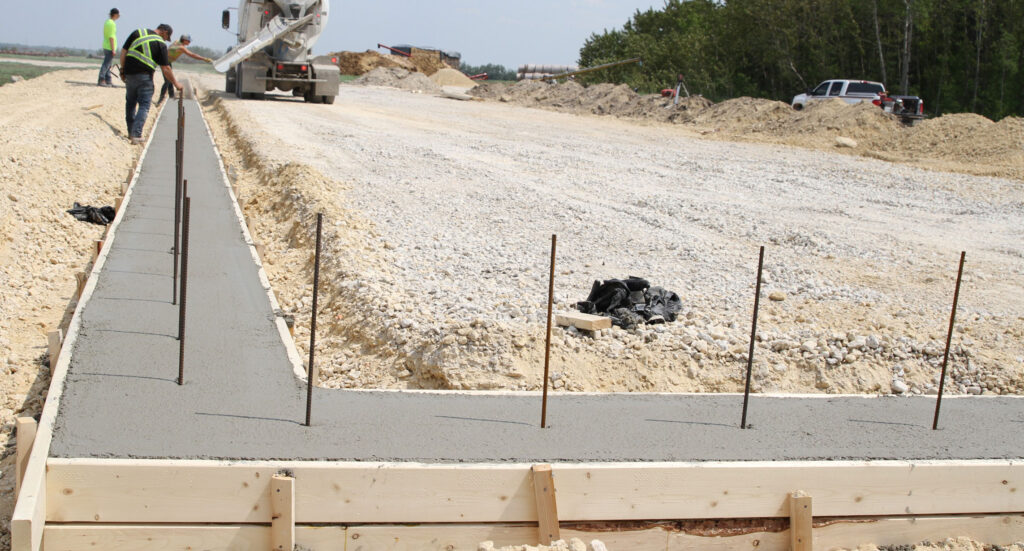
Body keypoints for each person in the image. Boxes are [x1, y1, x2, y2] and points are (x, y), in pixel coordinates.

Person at [118, 24, 182, 145]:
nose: (165, 40)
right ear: (164, 32)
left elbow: (124, 52)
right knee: (144, 105)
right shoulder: (161, 44)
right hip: (145, 77)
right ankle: (136, 134)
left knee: (130, 103)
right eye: (166, 37)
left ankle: (131, 132)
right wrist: (176, 83)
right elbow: (166, 68)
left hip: (130, 74)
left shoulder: (137, 33)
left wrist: (122, 70)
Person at [157, 34, 212, 104]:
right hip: (165, 62)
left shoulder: (176, 42)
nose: (189, 42)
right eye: (188, 41)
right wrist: (204, 59)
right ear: (184, 40)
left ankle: (171, 96)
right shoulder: (181, 48)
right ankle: (160, 99)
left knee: (170, 80)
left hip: (166, 61)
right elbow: (192, 55)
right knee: (167, 81)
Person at [97, 8, 119, 87]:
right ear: (115, 14)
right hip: (109, 47)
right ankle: (101, 79)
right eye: (118, 15)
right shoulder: (112, 24)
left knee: (109, 64)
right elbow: (111, 37)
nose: (119, 16)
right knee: (106, 64)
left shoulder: (107, 22)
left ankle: (108, 80)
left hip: (106, 46)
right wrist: (113, 49)